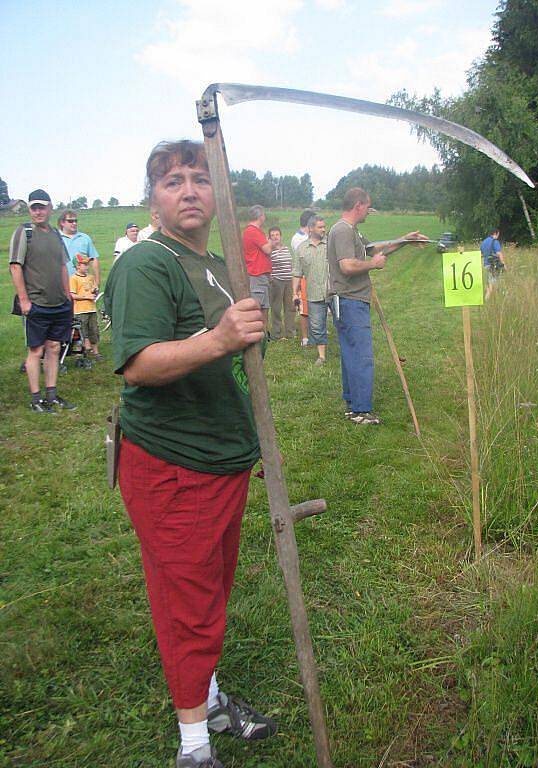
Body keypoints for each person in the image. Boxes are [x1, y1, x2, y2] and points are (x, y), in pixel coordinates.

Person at [104, 140, 276, 768]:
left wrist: (244, 440)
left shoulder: (216, 263)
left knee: (208, 594)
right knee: (188, 606)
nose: (189, 190)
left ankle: (207, 699)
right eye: (172, 181)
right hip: (172, 465)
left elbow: (239, 362)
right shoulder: (147, 265)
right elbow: (139, 364)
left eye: (200, 179)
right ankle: (194, 746)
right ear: (153, 201)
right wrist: (219, 338)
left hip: (220, 458)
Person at [327, 187, 428, 425]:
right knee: (360, 355)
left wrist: (405, 240)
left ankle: (353, 407)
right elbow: (348, 266)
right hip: (349, 300)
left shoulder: (353, 231)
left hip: (351, 300)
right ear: (358, 205)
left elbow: (376, 250)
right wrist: (372, 264)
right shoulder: (342, 231)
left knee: (352, 354)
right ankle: (361, 410)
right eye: (368, 206)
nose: (369, 211)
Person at [8, 189, 75, 413]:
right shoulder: (24, 232)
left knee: (54, 348)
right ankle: (36, 399)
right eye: (34, 207)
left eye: (42, 207)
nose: (38, 211)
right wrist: (24, 300)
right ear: (29, 209)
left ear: (50, 208)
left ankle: (52, 394)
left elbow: (62, 265)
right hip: (36, 303)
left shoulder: (56, 234)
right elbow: (15, 266)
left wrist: (68, 295)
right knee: (36, 351)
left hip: (59, 303)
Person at [292, 216, 329, 365]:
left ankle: (349, 351)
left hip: (333, 292)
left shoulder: (331, 245)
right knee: (316, 325)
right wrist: (294, 292)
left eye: (324, 226)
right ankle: (322, 356)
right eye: (320, 227)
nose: (323, 229)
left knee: (343, 322)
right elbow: (297, 272)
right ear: (311, 228)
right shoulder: (302, 249)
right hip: (313, 293)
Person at [242, 205, 272, 327]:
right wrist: (270, 241)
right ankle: (258, 335)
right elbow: (267, 250)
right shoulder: (254, 231)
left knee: (264, 306)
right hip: (257, 274)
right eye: (263, 214)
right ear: (260, 216)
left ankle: (263, 335)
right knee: (258, 307)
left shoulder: (248, 231)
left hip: (258, 274)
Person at [69, 254, 102, 360]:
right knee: (82, 332)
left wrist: (95, 292)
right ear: (78, 266)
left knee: (94, 331)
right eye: (85, 264)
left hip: (91, 309)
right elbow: (72, 295)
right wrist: (86, 296)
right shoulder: (73, 279)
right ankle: (82, 353)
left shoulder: (90, 277)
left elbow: (94, 290)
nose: (87, 266)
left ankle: (96, 352)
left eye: (88, 264)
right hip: (80, 311)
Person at [58, 209, 101, 287]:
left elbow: (94, 259)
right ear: (62, 222)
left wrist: (97, 282)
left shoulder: (85, 238)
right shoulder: (55, 237)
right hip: (61, 285)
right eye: (70, 221)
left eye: (76, 221)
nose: (74, 223)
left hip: (82, 285)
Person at [291, 210, 314, 347]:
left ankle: (315, 331)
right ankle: (305, 337)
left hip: (314, 276)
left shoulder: (308, 236)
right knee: (304, 308)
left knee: (316, 305)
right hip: (304, 277)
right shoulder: (298, 239)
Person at [268, 226, 296, 340]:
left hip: (288, 280)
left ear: (281, 236)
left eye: (277, 235)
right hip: (277, 282)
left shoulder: (286, 249)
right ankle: (277, 334)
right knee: (276, 308)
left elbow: (290, 265)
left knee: (290, 307)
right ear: (269, 238)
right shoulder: (269, 251)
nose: (275, 237)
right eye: (272, 235)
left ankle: (290, 332)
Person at [480, 227, 505, 300]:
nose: (498, 236)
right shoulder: (495, 241)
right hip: (494, 266)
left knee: (489, 284)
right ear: (495, 233)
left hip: (486, 265)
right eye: (498, 235)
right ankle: (488, 301)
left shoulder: (483, 242)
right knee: (493, 285)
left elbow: (481, 254)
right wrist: (503, 265)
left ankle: (492, 299)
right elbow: (499, 253)